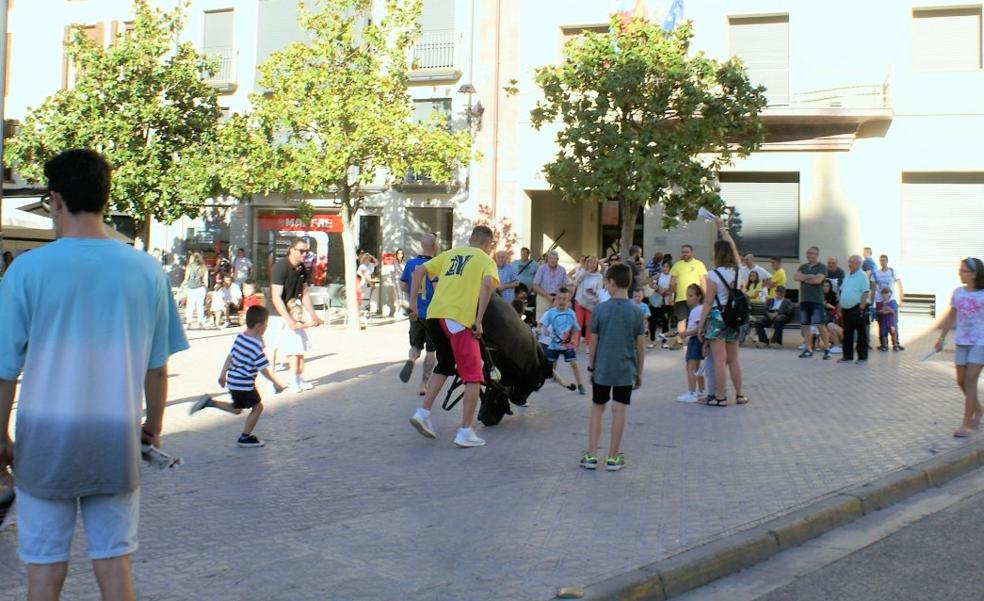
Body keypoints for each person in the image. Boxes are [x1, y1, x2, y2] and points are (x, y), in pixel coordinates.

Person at [0, 149, 188, 600]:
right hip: (115, 441)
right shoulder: (146, 269)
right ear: (105, 197)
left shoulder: (27, 270)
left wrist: (1, 437)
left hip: (44, 445)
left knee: (43, 571)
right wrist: (153, 428)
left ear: (55, 200)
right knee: (114, 565)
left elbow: (5, 370)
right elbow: (157, 367)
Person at [408, 225, 499, 448]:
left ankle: (423, 412)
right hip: (458, 319)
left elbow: (418, 271)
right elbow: (488, 285)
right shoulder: (486, 260)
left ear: (470, 238)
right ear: (488, 244)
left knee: (446, 364)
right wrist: (478, 321)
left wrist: (412, 305)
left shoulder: (450, 254)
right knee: (473, 377)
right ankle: (465, 431)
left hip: (435, 316)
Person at [189, 306, 286, 446]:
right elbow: (264, 368)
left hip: (233, 382)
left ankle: (209, 402)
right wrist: (276, 382)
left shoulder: (241, 337)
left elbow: (230, 357)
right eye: (266, 324)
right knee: (258, 408)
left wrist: (222, 375)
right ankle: (245, 437)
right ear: (259, 326)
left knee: (237, 409)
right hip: (245, 384)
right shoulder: (255, 345)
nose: (266, 327)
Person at [582, 263, 645, 472]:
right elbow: (640, 347)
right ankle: (613, 457)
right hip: (625, 369)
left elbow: (593, 341)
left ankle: (591, 454)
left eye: (606, 282)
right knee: (619, 410)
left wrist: (591, 366)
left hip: (602, 368)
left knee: (597, 408)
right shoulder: (636, 311)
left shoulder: (600, 309)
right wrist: (639, 372)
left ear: (611, 282)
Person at [697, 217, 747, 407]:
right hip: (733, 317)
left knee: (719, 359)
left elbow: (708, 302)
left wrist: (701, 325)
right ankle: (740, 394)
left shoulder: (712, 275)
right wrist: (723, 229)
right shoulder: (738, 271)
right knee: (734, 359)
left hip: (718, 317)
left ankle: (721, 396)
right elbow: (733, 248)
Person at [935, 257, 984, 437]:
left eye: (963, 271)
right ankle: (979, 410)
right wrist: (941, 338)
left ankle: (966, 423)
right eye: (960, 270)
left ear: (974, 274)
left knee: (971, 380)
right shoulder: (958, 293)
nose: (960, 273)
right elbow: (951, 316)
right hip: (962, 341)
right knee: (961, 381)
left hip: (980, 342)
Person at [268, 237, 323, 389]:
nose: (305, 254)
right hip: (276, 313)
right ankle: (271, 381)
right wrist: (288, 319)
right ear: (291, 250)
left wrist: (313, 315)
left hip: (292, 311)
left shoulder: (302, 269)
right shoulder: (281, 267)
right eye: (301, 251)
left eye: (307, 251)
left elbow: (304, 293)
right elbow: (276, 296)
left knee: (296, 348)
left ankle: (296, 378)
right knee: (273, 347)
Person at [399, 233, 439, 395]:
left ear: (422, 246)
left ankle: (411, 359)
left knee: (415, 345)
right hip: (431, 314)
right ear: (434, 246)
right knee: (431, 350)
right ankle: (424, 385)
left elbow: (402, 286)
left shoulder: (410, 264)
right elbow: (437, 290)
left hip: (415, 312)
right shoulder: (436, 265)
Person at [539, 287, 585, 394]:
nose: (561, 301)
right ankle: (538, 383)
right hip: (554, 344)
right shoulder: (551, 312)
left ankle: (580, 385)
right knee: (547, 364)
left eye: (564, 299)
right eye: (559, 298)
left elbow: (575, 328)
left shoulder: (571, 313)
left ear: (568, 301)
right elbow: (544, 324)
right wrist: (544, 330)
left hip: (567, 345)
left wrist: (574, 339)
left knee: (574, 364)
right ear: (556, 299)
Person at [794, 246, 832, 360]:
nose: (808, 255)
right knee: (805, 326)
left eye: (811, 253)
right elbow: (796, 277)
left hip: (816, 301)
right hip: (804, 300)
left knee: (820, 325)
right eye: (807, 253)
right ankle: (808, 349)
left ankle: (826, 349)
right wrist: (810, 276)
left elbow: (818, 280)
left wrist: (804, 278)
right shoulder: (802, 266)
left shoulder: (822, 267)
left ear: (816, 255)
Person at [669, 245, 708, 348]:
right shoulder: (677, 265)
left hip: (696, 298)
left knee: (696, 319)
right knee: (681, 320)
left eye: (687, 252)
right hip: (681, 297)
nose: (685, 254)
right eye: (683, 252)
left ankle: (696, 339)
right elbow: (672, 283)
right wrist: (671, 296)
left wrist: (704, 296)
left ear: (692, 253)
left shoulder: (699, 264)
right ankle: (679, 340)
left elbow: (703, 281)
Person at [837, 255, 871, 364]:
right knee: (847, 334)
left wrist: (861, 307)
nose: (849, 264)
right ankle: (847, 357)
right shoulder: (848, 275)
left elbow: (866, 292)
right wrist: (839, 306)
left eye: (852, 262)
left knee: (861, 335)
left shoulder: (862, 275)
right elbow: (842, 292)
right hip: (846, 309)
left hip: (857, 308)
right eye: (849, 262)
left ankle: (862, 358)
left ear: (859, 263)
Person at [677, 283, 706, 403]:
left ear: (698, 297)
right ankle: (701, 391)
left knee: (690, 367)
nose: (688, 298)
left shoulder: (697, 310)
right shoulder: (699, 309)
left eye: (691, 296)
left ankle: (692, 393)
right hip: (696, 341)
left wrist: (685, 334)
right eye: (687, 296)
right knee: (697, 368)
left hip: (695, 341)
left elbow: (700, 328)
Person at [873, 254, 905, 349]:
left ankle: (896, 343)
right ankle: (883, 344)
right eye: (881, 260)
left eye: (884, 260)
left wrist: (901, 299)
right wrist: (872, 303)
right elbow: (873, 289)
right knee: (881, 322)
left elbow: (899, 285)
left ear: (887, 261)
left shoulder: (892, 271)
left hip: (891, 300)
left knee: (893, 322)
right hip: (879, 300)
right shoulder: (876, 273)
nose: (882, 262)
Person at [572, 256, 603, 352]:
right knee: (578, 322)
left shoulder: (599, 276)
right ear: (587, 263)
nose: (592, 265)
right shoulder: (582, 271)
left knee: (589, 323)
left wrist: (594, 291)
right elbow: (575, 283)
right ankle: (575, 344)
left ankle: (588, 344)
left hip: (591, 302)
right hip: (580, 300)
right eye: (590, 262)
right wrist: (584, 274)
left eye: (594, 263)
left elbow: (600, 290)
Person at [532, 250, 569, 319]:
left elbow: (564, 286)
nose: (552, 260)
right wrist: (549, 297)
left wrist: (558, 298)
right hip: (543, 297)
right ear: (547, 259)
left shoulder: (562, 270)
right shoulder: (541, 269)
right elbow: (535, 286)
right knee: (541, 321)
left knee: (557, 320)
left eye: (554, 259)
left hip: (558, 298)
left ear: (557, 260)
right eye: (550, 258)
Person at [182, 251, 209, 329]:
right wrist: (205, 287)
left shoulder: (189, 266)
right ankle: (200, 322)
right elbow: (205, 279)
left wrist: (184, 284)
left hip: (191, 288)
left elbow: (186, 278)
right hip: (201, 287)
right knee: (200, 305)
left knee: (190, 305)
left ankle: (189, 322)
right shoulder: (203, 267)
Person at [875, 287, 902, 352]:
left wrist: (887, 309)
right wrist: (883, 311)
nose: (885, 295)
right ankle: (884, 345)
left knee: (893, 333)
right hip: (883, 321)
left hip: (891, 321)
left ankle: (895, 345)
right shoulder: (880, 303)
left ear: (889, 294)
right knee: (883, 334)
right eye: (883, 294)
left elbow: (893, 311)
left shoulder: (892, 302)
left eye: (886, 294)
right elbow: (878, 311)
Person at [823, 279, 843, 354]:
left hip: (833, 318)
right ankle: (835, 343)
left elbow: (838, 313)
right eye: (824, 286)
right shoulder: (819, 295)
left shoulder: (835, 297)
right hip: (825, 316)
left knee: (830, 322)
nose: (825, 288)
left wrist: (831, 307)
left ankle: (836, 343)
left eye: (827, 286)